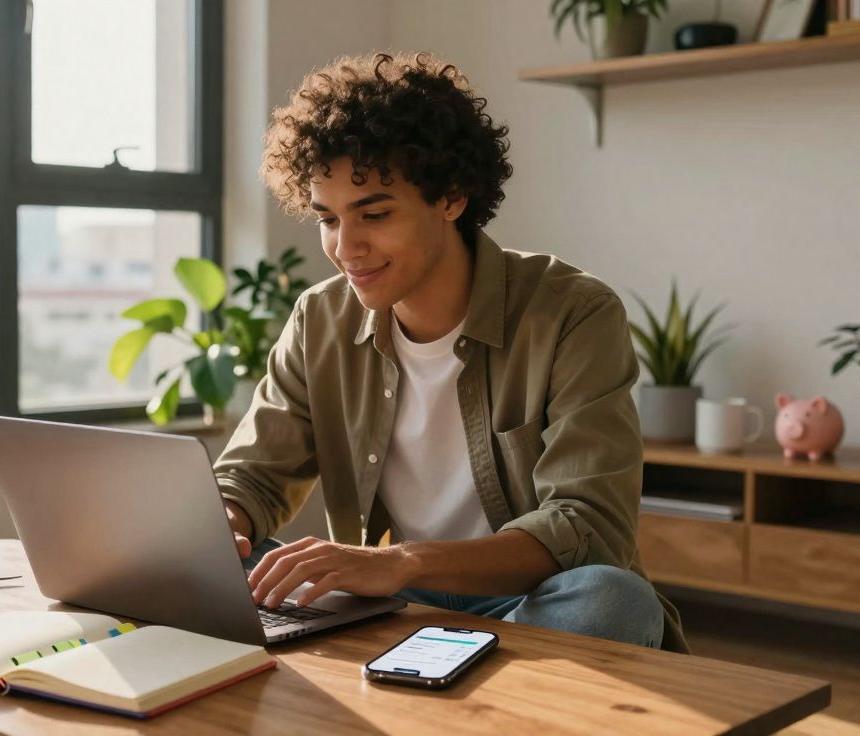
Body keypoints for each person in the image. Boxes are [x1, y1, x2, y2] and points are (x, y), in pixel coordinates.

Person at [213, 52, 687, 653]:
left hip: (531, 599)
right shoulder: (320, 318)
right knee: (255, 569)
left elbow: (587, 528)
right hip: (399, 604)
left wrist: (401, 563)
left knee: (611, 600)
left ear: (452, 197)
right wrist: (224, 525)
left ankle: (439, 664)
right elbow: (251, 477)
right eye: (327, 219)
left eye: (375, 214)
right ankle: (452, 667)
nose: (345, 247)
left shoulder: (573, 312)